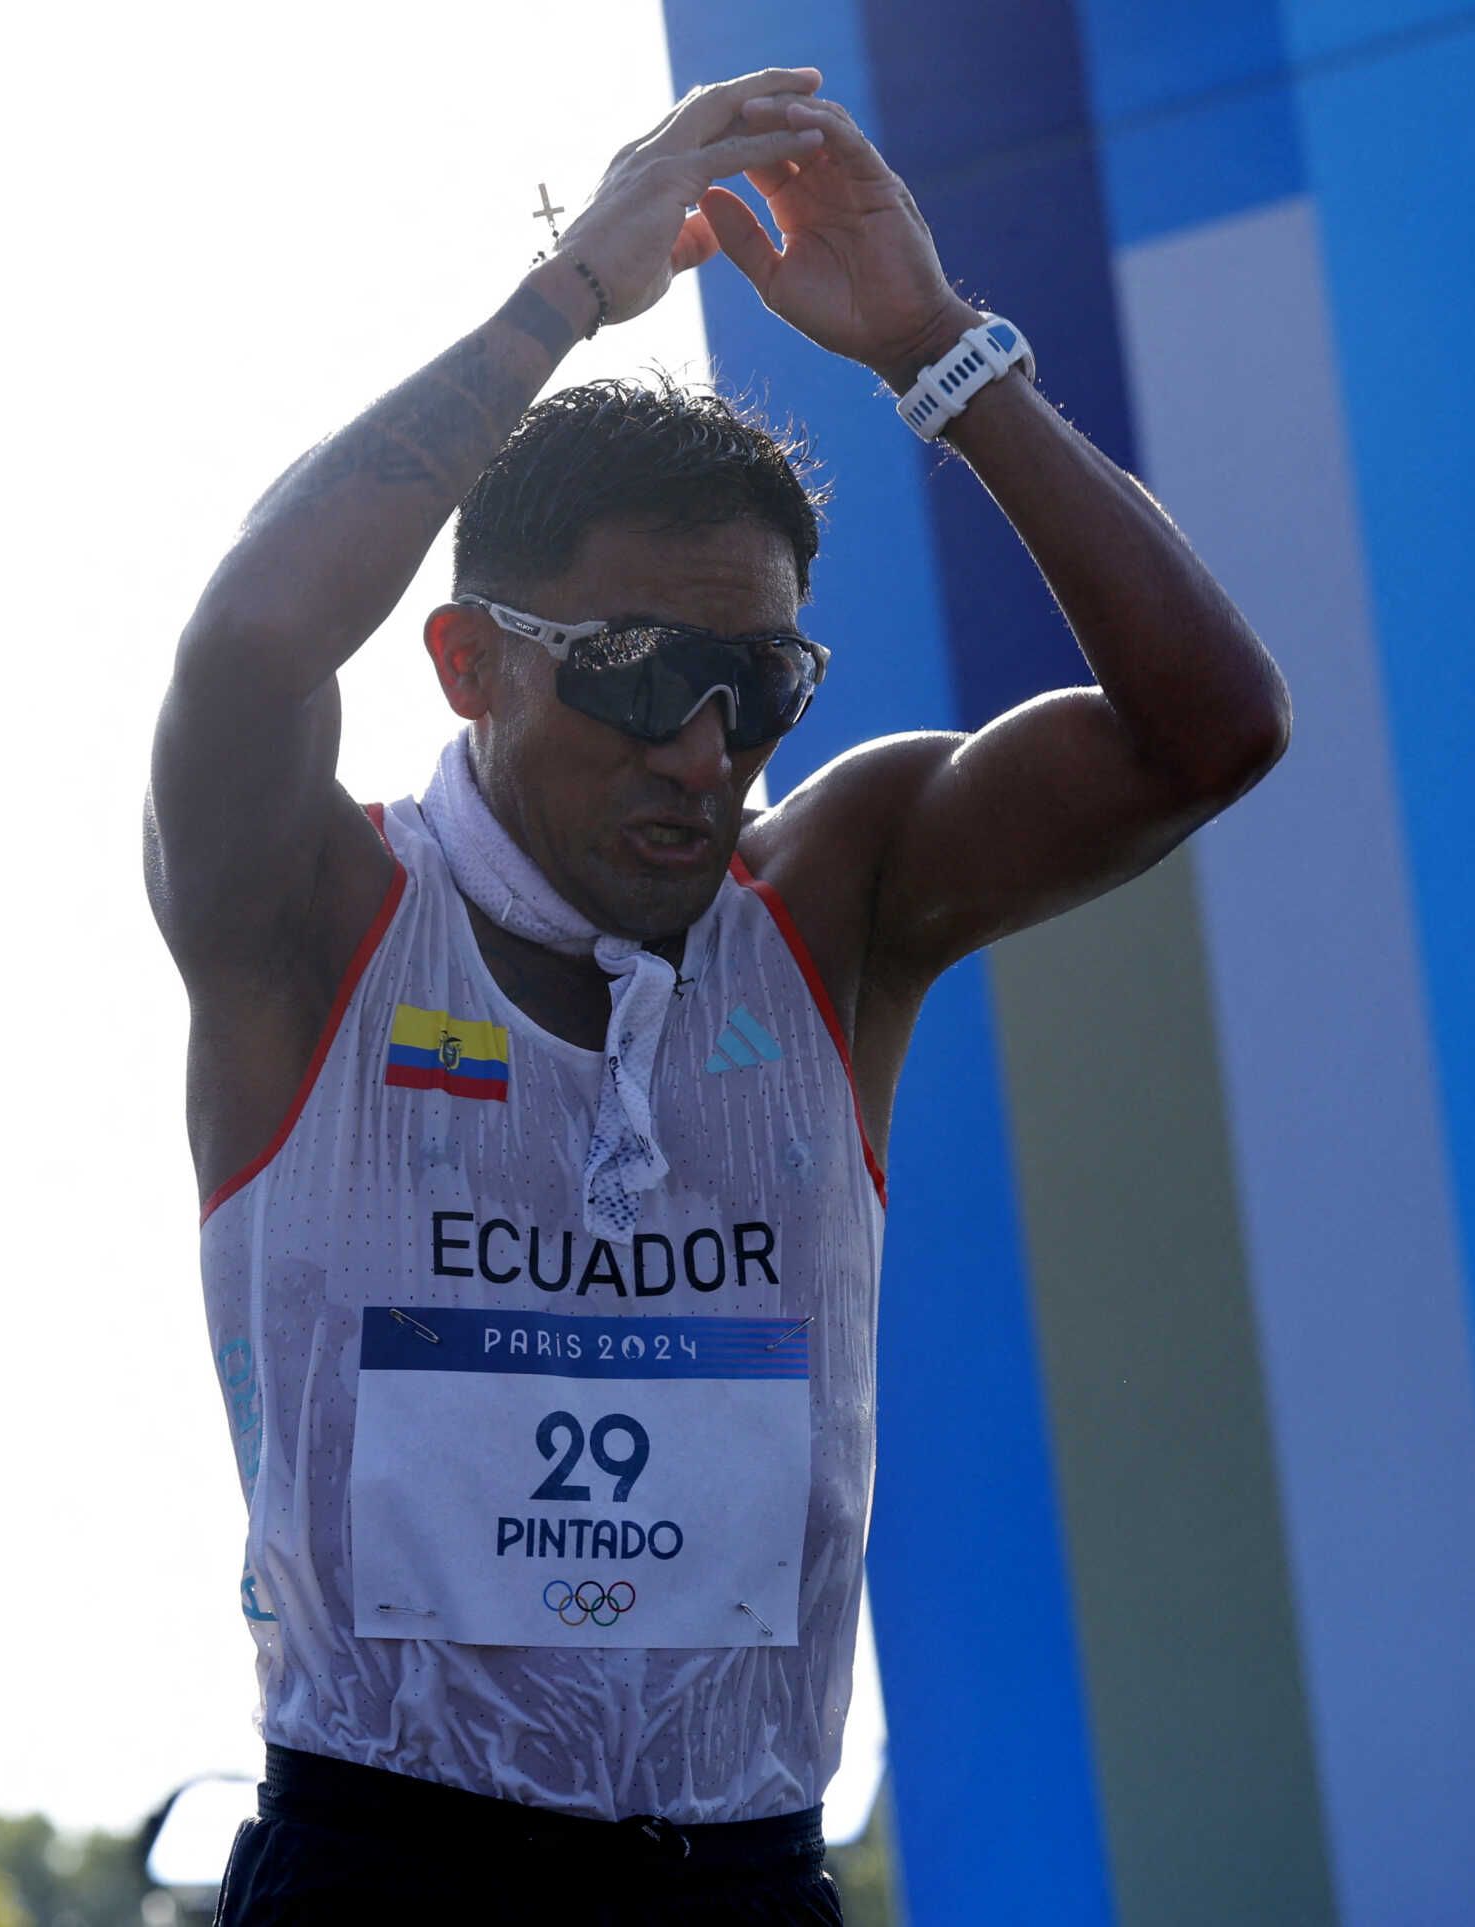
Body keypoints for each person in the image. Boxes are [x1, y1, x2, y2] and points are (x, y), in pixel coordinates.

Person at [147, 65, 1289, 1925]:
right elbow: (254, 639)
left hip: (749, 1875)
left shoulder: (833, 902)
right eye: (638, 673)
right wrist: (563, 300)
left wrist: (937, 347)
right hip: (393, 1869)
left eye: (758, 687)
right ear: (467, 665)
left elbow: (1215, 730)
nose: (702, 750)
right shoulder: (311, 912)